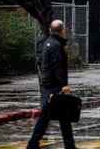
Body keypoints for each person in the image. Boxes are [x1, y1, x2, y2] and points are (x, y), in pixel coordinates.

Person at [27, 20, 76, 149]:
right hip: (54, 87)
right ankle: (32, 144)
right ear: (61, 30)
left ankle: (69, 145)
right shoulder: (55, 45)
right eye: (64, 29)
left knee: (62, 117)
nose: (65, 31)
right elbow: (57, 67)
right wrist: (63, 85)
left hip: (48, 85)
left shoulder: (48, 43)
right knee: (48, 117)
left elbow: (42, 63)